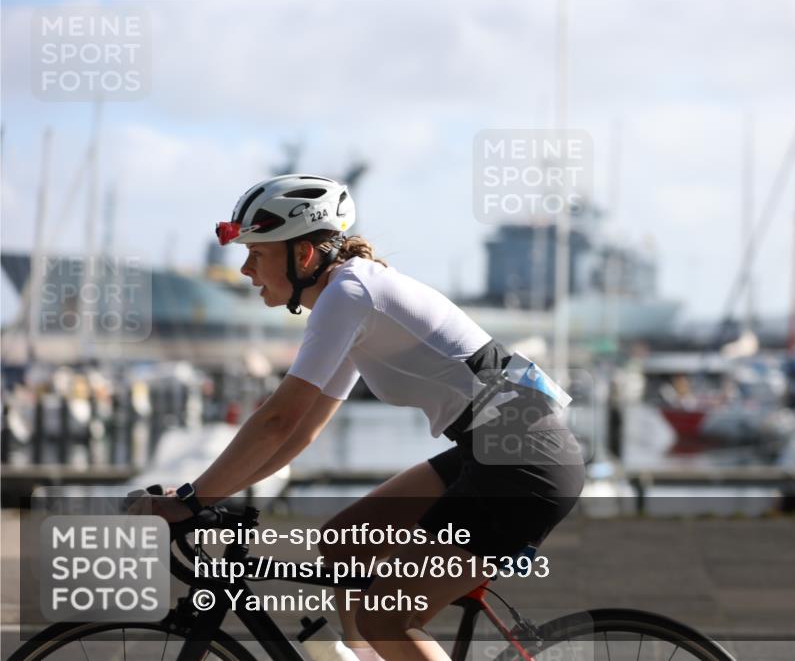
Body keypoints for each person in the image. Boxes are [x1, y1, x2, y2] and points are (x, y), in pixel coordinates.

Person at [131, 174, 585, 661]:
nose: (244, 269)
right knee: (343, 545)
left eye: (256, 254)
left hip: (522, 466)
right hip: (495, 451)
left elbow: (277, 421)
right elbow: (301, 431)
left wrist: (196, 496)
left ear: (302, 255)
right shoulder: (351, 297)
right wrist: (200, 496)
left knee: (383, 616)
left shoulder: (351, 295)